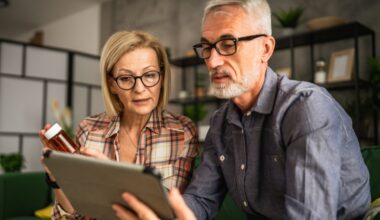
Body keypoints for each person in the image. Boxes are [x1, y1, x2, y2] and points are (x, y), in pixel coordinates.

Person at [112, 0, 371, 219]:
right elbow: (201, 200)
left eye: (228, 44)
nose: (212, 61)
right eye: (207, 47)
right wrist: (147, 205)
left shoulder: (306, 107)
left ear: (265, 48)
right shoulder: (221, 123)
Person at [39, 31, 200, 219]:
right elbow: (71, 217)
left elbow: (173, 212)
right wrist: (57, 179)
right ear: (112, 84)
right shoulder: (89, 129)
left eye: (149, 75)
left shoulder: (182, 131)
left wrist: (110, 177)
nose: (139, 89)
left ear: (162, 77)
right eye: (125, 78)